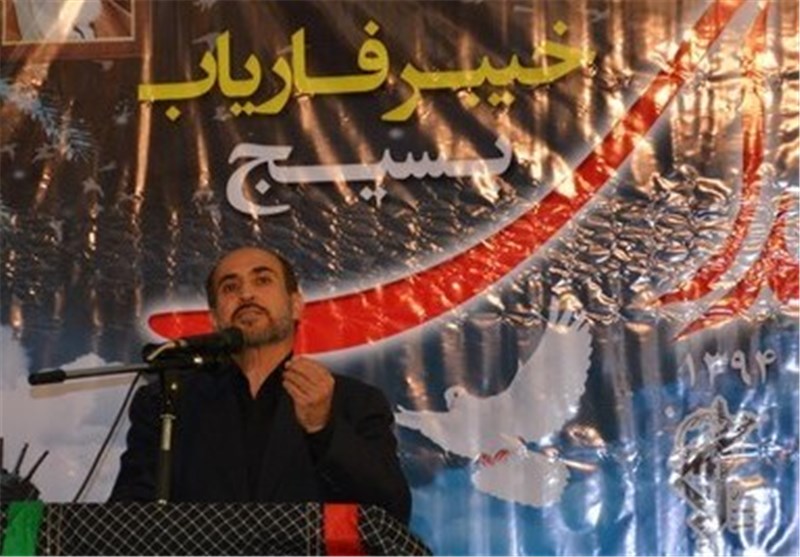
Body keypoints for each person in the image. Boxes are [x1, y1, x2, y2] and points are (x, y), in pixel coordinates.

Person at [110, 246, 411, 523]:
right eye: (230, 287)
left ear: (296, 306)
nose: (246, 294)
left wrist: (325, 428)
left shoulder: (354, 401)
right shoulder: (167, 400)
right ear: (215, 318)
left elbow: (391, 512)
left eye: (262, 281)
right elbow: (128, 518)